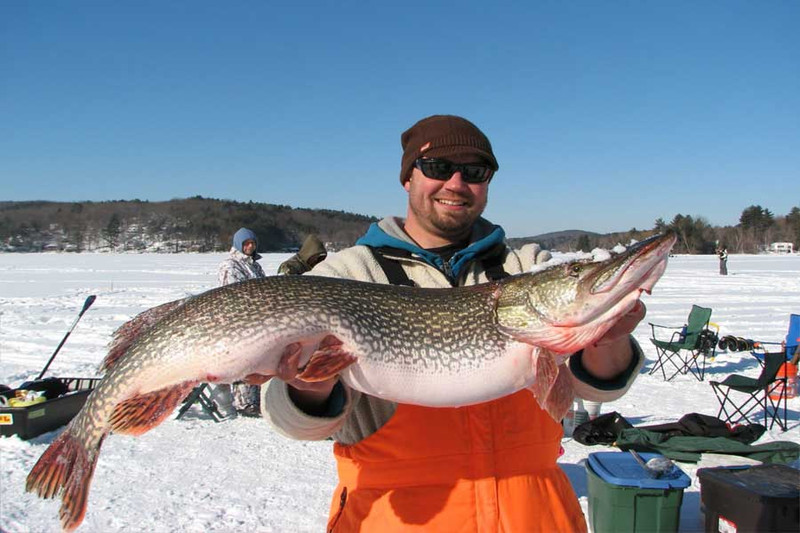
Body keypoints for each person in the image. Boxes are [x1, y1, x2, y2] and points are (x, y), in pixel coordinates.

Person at [261, 115, 646, 531]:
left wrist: (608, 340)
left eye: (475, 171)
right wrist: (310, 385)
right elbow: (289, 421)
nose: (457, 183)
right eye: (439, 168)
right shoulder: (345, 276)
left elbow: (593, 387)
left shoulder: (525, 269)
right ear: (408, 177)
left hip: (533, 516)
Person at [216, 227, 266, 417]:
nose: (250, 246)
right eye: (246, 243)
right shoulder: (230, 265)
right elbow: (233, 294)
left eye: (252, 243)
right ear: (239, 244)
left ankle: (257, 398)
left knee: (259, 359)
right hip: (237, 322)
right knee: (244, 360)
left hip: (257, 320)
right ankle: (244, 402)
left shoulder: (254, 265)